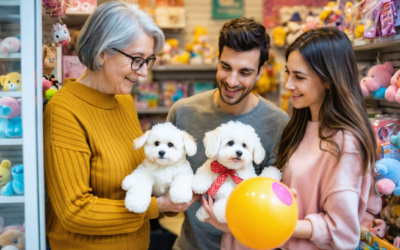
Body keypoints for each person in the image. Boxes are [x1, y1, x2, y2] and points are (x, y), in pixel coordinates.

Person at [43, 1, 199, 249]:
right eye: (137, 59)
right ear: (103, 52)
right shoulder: (64, 110)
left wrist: (173, 191)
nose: (144, 72)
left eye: (149, 60)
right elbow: (75, 212)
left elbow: (137, 175)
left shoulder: (124, 101)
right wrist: (158, 206)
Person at [222, 27, 382, 250]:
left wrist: (271, 221)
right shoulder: (301, 124)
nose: (288, 85)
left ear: (328, 80)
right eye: (288, 73)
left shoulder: (345, 143)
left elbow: (343, 231)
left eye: (299, 77)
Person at [167, 17, 289, 250]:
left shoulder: (279, 123)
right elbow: (169, 198)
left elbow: (275, 209)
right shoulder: (182, 113)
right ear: (218, 59)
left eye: (245, 72)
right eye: (225, 67)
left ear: (261, 72)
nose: (231, 81)